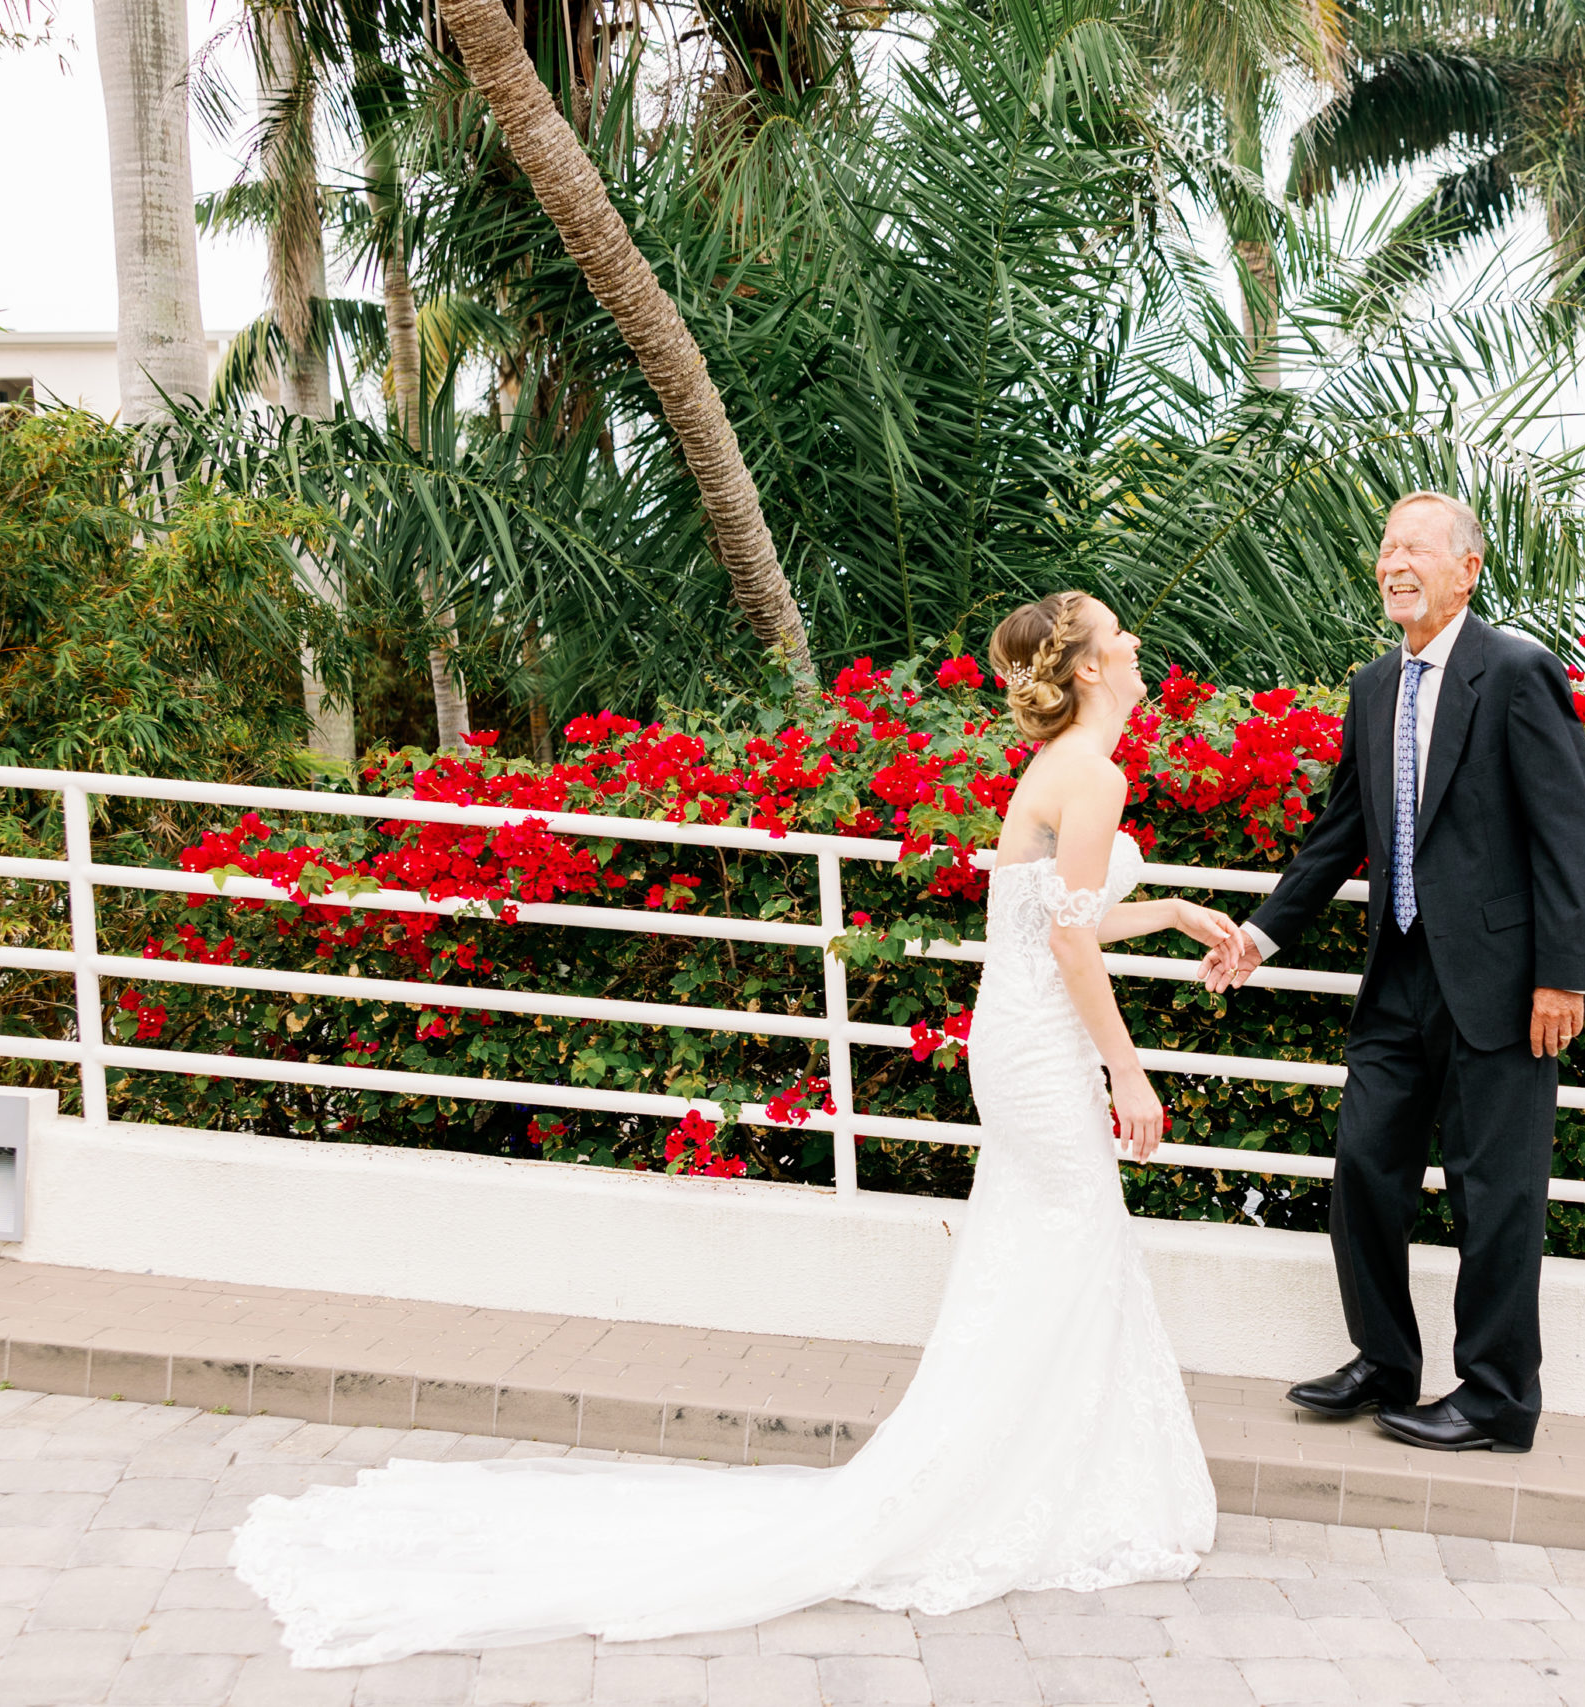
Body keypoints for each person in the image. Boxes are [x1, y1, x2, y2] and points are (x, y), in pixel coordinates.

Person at [233, 590, 1237, 1667]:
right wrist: (1126, 1074)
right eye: (1117, 632)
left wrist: (1173, 913)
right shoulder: (1089, 773)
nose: (1134, 642)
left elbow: (1058, 919)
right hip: (1043, 1052)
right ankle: (999, 1490)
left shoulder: (1067, 772)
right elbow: (1072, 950)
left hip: (1023, 1037)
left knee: (1055, 1253)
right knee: (1065, 1246)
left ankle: (1033, 1478)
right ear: (1089, 668)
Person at [1200, 490, 1585, 1455]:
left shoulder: (1516, 671)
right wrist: (1260, 934)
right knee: (1365, 1169)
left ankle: (1498, 1397)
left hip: (1506, 986)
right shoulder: (1375, 685)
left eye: (1417, 547)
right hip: (1399, 975)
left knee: (1495, 1194)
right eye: (1386, 548)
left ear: (1468, 568)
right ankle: (1385, 1361)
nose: (1396, 563)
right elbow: (1343, 830)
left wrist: (1565, 976)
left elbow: (1567, 832)